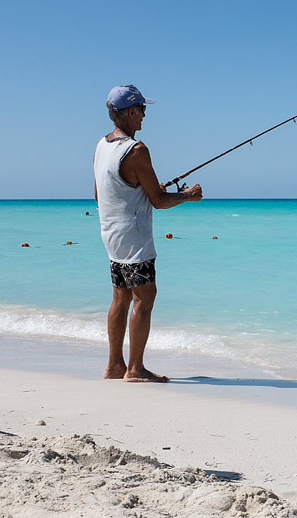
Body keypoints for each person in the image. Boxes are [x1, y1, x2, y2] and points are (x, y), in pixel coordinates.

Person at [93, 84, 202, 382]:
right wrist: (189, 195)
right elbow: (159, 201)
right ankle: (135, 369)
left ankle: (115, 365)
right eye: (142, 110)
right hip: (135, 238)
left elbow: (101, 194)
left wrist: (143, 190)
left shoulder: (102, 146)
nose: (144, 116)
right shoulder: (136, 150)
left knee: (120, 297)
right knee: (145, 295)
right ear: (129, 111)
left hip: (112, 236)